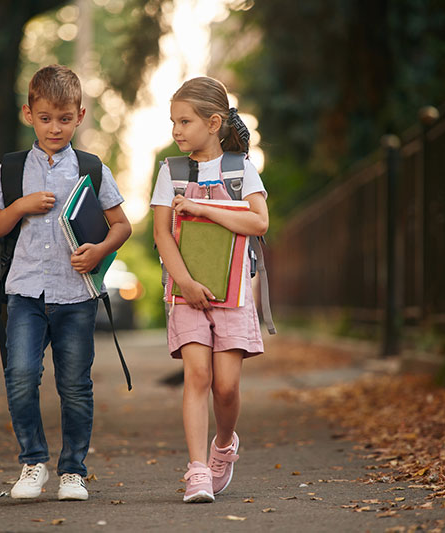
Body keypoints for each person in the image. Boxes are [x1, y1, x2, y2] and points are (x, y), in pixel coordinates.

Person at [0, 64, 131, 501]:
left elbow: (121, 225)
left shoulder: (91, 167)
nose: (55, 127)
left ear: (80, 116)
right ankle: (32, 464)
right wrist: (22, 205)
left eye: (65, 118)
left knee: (75, 385)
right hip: (24, 291)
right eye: (45, 118)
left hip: (75, 295)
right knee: (21, 376)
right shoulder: (10, 169)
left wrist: (100, 250)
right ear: (29, 114)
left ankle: (73, 472)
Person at [150, 77, 268, 503]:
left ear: (214, 122)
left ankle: (223, 445)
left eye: (185, 121)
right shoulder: (172, 172)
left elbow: (259, 222)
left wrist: (202, 208)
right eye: (173, 122)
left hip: (233, 294)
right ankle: (197, 469)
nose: (177, 130)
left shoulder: (240, 170)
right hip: (186, 292)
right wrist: (184, 282)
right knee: (197, 375)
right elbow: (163, 234)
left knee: (227, 387)